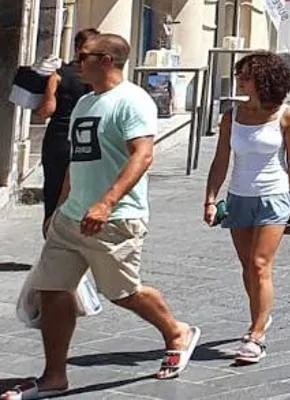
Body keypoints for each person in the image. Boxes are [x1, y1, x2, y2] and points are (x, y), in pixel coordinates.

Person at [7, 34, 202, 395]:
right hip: (72, 218)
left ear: (107, 60)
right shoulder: (84, 103)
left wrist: (106, 202)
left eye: (83, 56)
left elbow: (142, 156)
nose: (76, 63)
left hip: (115, 218)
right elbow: (76, 159)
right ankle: (54, 376)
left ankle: (177, 331)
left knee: (123, 292)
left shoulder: (132, 101)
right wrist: (61, 206)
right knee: (52, 290)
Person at [203, 52, 290, 366]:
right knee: (248, 267)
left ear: (264, 81)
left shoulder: (286, 116)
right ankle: (261, 315)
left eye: (246, 76)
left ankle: (256, 334)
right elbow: (220, 160)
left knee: (261, 264)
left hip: (274, 197)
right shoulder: (231, 116)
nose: (240, 80)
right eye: (240, 75)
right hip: (238, 198)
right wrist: (210, 198)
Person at [33, 30, 94, 229]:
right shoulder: (99, 79)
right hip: (89, 138)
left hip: (59, 139)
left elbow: (46, 111)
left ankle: (51, 238)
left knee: (54, 190)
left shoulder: (59, 75)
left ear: (76, 48)